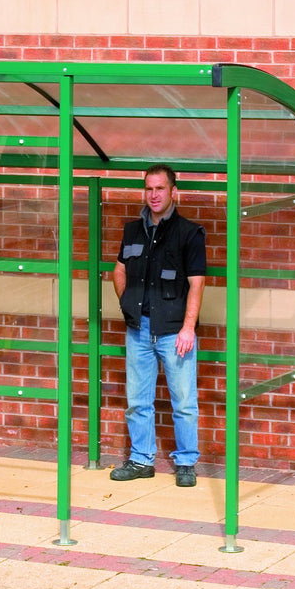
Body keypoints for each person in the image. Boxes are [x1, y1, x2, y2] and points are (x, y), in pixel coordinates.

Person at [110, 164, 206, 487]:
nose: (154, 195)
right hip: (139, 329)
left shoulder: (189, 234)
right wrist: (128, 304)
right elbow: (119, 270)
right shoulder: (132, 231)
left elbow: (197, 284)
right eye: (149, 189)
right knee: (137, 400)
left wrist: (188, 327)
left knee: (183, 402)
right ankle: (141, 459)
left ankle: (186, 462)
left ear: (173, 191)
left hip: (175, 331)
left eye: (160, 189)